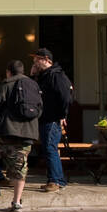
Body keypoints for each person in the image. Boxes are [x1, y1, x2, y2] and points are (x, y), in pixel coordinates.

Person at [0, 60, 41, 212]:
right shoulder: (33, 85)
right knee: (20, 167)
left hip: (5, 132)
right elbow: (40, 109)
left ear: (8, 72)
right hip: (27, 134)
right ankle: (16, 201)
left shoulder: (6, 84)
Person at [31, 48, 73, 193]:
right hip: (45, 118)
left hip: (52, 118)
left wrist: (62, 115)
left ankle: (55, 180)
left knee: (50, 148)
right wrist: (33, 75)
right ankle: (56, 179)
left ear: (47, 60)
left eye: (37, 59)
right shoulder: (44, 76)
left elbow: (66, 97)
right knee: (48, 148)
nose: (35, 62)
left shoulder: (56, 75)